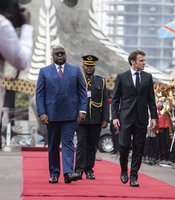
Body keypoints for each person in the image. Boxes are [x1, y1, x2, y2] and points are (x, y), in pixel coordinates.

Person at [36, 44, 88, 184]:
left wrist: (82, 110)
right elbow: (39, 94)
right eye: (57, 54)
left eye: (62, 53)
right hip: (51, 116)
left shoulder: (75, 70)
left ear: (66, 55)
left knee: (68, 143)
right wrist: (42, 112)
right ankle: (54, 173)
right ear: (52, 56)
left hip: (70, 115)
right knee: (53, 145)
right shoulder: (44, 71)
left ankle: (67, 173)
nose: (60, 56)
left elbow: (83, 93)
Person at [112, 50, 158, 187]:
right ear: (133, 61)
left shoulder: (148, 77)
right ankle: (123, 170)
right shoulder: (122, 77)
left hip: (141, 118)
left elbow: (151, 100)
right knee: (124, 146)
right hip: (125, 118)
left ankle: (134, 176)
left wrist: (154, 117)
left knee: (139, 148)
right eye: (141, 60)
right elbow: (115, 99)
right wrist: (114, 117)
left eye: (144, 60)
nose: (144, 63)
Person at [0, 0, 33, 149]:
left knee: (19, 112)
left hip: (20, 87)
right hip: (9, 83)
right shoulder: (5, 26)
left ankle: (20, 137)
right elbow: (21, 60)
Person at [75, 55, 109, 180]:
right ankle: (78, 169)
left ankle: (89, 170)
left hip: (96, 118)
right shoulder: (78, 79)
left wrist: (106, 119)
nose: (89, 68)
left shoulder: (101, 81)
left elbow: (105, 101)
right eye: (87, 66)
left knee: (92, 145)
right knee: (81, 144)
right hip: (81, 119)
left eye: (91, 66)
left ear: (94, 67)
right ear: (83, 67)